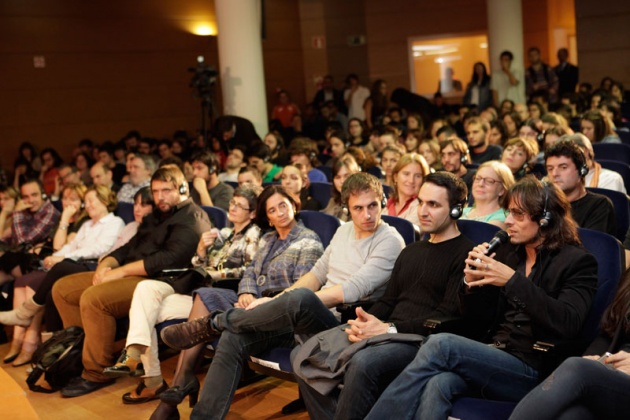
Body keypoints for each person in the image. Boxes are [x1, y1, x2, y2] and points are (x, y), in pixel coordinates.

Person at [158, 173, 405, 419]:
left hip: (344, 326)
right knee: (235, 337)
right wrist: (280, 301)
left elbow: (352, 289)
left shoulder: (390, 240)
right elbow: (316, 275)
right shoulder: (344, 232)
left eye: (373, 205)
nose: (367, 215)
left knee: (302, 299)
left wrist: (281, 301)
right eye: (358, 208)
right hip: (309, 321)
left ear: (383, 201)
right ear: (347, 209)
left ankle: (215, 323)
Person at [366, 176, 598, 419]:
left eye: (518, 214)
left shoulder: (578, 262)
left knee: (440, 344)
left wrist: (511, 281)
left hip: (536, 368)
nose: (508, 221)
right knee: (439, 384)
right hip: (492, 353)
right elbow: (477, 319)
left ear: (545, 219)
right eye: (508, 212)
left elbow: (568, 322)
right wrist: (471, 283)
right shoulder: (509, 252)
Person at [296, 172, 474, 419]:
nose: (423, 211)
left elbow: (445, 317)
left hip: (419, 340)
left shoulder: (465, 254)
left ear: (455, 210)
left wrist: (389, 328)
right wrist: (364, 322)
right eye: (421, 202)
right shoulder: (411, 251)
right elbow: (389, 300)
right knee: (304, 353)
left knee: (363, 363)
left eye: (433, 205)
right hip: (385, 332)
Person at [51, 165, 211, 398]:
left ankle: (95, 372)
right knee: (63, 289)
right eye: (155, 191)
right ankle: (78, 355)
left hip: (161, 280)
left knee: (94, 298)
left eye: (166, 190)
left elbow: (168, 259)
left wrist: (121, 272)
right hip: (132, 273)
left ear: (183, 188)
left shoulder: (193, 217)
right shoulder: (157, 215)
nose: (159, 197)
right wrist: (107, 264)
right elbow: (130, 246)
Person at [104, 187, 262, 405]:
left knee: (146, 313)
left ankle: (152, 380)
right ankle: (134, 355)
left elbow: (249, 270)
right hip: (195, 291)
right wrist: (200, 251)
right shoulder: (223, 234)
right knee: (145, 292)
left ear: (252, 213)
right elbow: (196, 265)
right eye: (232, 202)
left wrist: (212, 272)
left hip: (219, 297)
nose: (232, 207)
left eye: (239, 205)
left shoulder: (255, 235)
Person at [0, 185, 124, 366]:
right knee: (40, 288)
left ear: (105, 201)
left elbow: (99, 249)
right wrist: (56, 256)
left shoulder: (115, 222)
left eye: (91, 201)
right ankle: (48, 355)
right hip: (73, 262)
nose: (87, 205)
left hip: (92, 266)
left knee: (60, 268)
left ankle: (26, 313)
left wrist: (62, 257)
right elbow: (71, 246)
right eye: (86, 201)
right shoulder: (88, 224)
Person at [510, 268, 630, 420]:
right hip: (616, 373)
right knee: (573, 414)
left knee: (576, 368)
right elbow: (610, 329)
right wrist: (593, 358)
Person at [545, 139, 616, 235]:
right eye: (550, 169)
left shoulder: (600, 205)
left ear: (582, 171)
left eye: (563, 167)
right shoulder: (543, 203)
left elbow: (590, 245)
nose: (554, 174)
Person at [0, 179, 60, 284]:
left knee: (7, 257)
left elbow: (23, 241)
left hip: (36, 262)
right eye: (26, 197)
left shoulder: (50, 212)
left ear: (42, 194)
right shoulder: (27, 211)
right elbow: (3, 239)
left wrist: (17, 212)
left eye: (34, 195)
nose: (30, 200)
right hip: (18, 259)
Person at [462, 161, 515, 229]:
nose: (480, 184)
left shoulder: (504, 217)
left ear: (502, 190)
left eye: (489, 181)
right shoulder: (463, 211)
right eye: (478, 178)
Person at [386, 153, 430, 229]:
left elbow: (404, 233)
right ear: (395, 177)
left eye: (417, 176)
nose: (411, 181)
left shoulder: (422, 207)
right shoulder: (388, 204)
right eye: (406, 174)